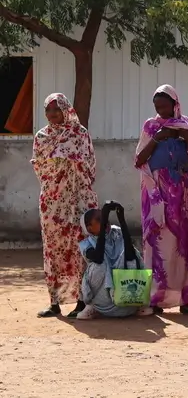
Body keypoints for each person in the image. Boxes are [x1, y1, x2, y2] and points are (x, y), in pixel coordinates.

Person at [135, 85, 188, 315]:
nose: (161, 111)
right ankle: (157, 298)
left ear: (175, 104)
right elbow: (139, 159)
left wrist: (184, 136)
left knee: (183, 244)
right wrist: (157, 139)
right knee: (159, 246)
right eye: (157, 107)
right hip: (157, 195)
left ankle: (184, 299)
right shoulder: (150, 127)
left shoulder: (187, 125)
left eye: (165, 106)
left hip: (182, 195)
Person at [33, 93, 98, 318]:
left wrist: (69, 163)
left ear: (66, 109)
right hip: (52, 202)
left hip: (78, 199)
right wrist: (58, 166)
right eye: (48, 110)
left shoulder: (80, 134)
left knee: (80, 249)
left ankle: (82, 301)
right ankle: (55, 303)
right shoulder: (41, 136)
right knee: (53, 250)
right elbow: (39, 167)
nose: (52, 114)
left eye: (56, 109)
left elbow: (89, 165)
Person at [76, 202, 145, 320]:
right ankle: (92, 308)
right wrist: (103, 225)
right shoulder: (85, 244)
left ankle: (135, 303)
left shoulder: (116, 232)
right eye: (99, 219)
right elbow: (98, 257)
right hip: (102, 302)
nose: (105, 221)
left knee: (134, 255)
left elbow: (130, 255)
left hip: (125, 300)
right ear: (89, 228)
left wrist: (121, 219)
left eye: (105, 218)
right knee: (100, 264)